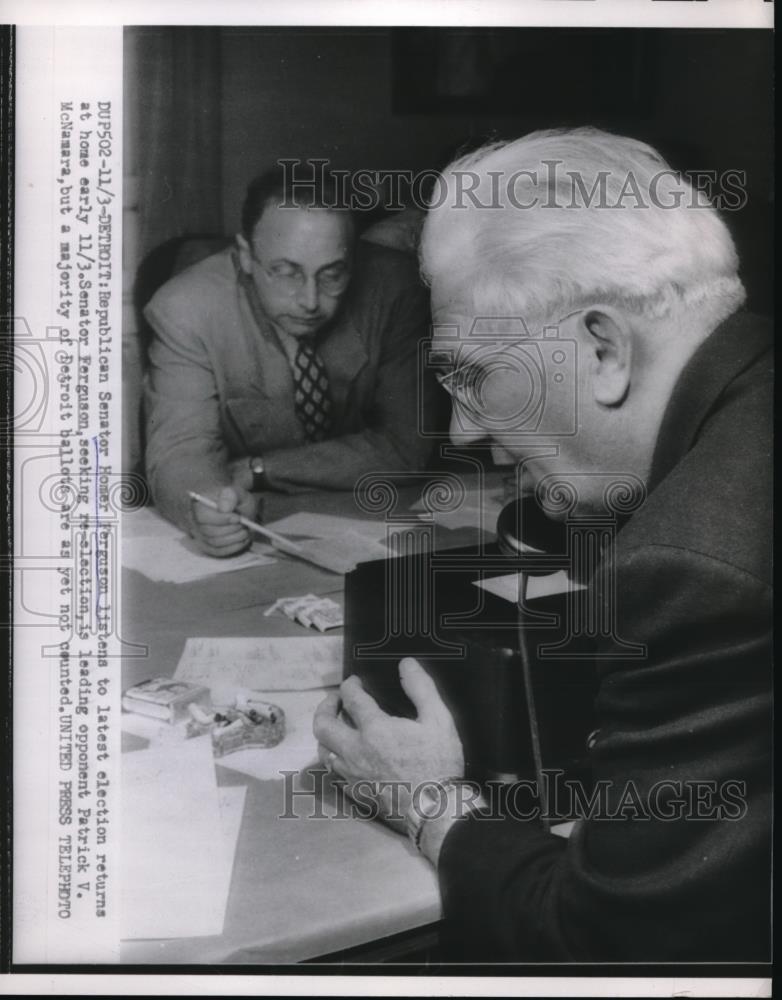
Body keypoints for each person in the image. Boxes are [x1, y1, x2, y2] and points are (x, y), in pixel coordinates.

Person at [313, 128, 772, 961]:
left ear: (603, 348)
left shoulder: (690, 567)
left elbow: (609, 943)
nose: (462, 429)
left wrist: (429, 801)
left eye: (475, 376)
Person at [143, 167, 435, 556]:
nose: (311, 301)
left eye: (333, 274)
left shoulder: (397, 287)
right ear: (246, 256)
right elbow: (180, 450)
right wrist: (210, 504)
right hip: (258, 526)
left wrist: (260, 468)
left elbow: (408, 445)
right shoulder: (184, 309)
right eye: (285, 272)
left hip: (370, 518)